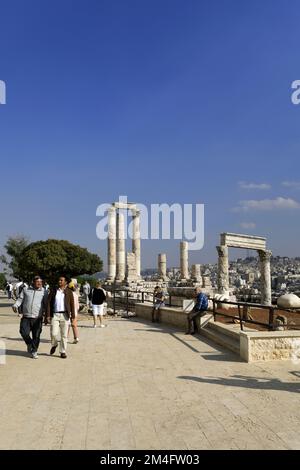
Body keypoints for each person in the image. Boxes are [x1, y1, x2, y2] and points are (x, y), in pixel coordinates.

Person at [12, 276, 48, 359]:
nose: (39, 283)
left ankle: (34, 351)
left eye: (41, 282)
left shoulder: (44, 292)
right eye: (37, 282)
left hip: (37, 317)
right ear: (33, 282)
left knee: (37, 335)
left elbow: (46, 304)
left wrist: (47, 316)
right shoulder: (26, 290)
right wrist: (15, 305)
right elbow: (20, 299)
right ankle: (29, 343)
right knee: (23, 332)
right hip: (26, 316)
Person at [46, 276, 75, 359]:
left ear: (66, 282)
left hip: (65, 315)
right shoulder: (54, 291)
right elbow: (49, 303)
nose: (59, 281)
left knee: (64, 335)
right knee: (53, 333)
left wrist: (73, 316)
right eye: (59, 280)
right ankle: (54, 344)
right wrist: (48, 315)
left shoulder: (69, 292)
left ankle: (62, 351)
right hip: (55, 315)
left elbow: (72, 304)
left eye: (61, 280)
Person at [68, 279, 79, 343]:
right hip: (74, 311)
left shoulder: (67, 294)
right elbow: (77, 305)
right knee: (74, 325)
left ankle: (66, 337)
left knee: (67, 325)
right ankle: (76, 337)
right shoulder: (75, 295)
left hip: (68, 311)